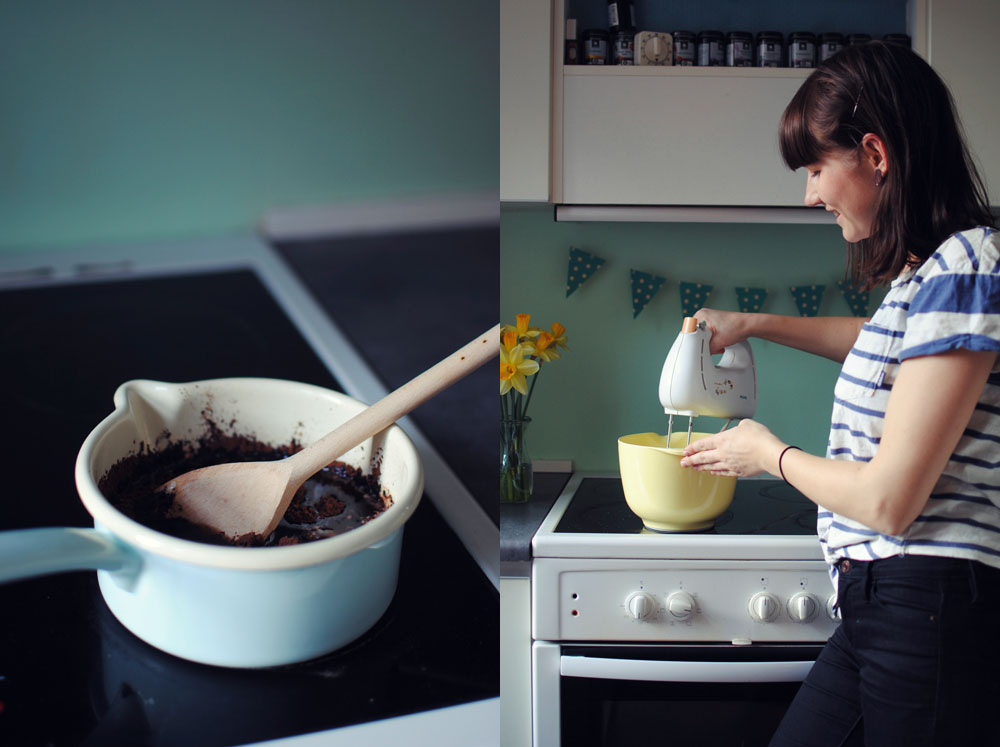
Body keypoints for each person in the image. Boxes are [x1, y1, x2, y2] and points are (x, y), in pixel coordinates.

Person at [678, 41, 1000, 746]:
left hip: (926, 602)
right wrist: (756, 321)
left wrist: (768, 452)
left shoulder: (968, 262)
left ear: (876, 155)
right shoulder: (928, 280)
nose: (810, 193)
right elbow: (877, 344)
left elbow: (890, 500)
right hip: (885, 604)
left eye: (819, 167)